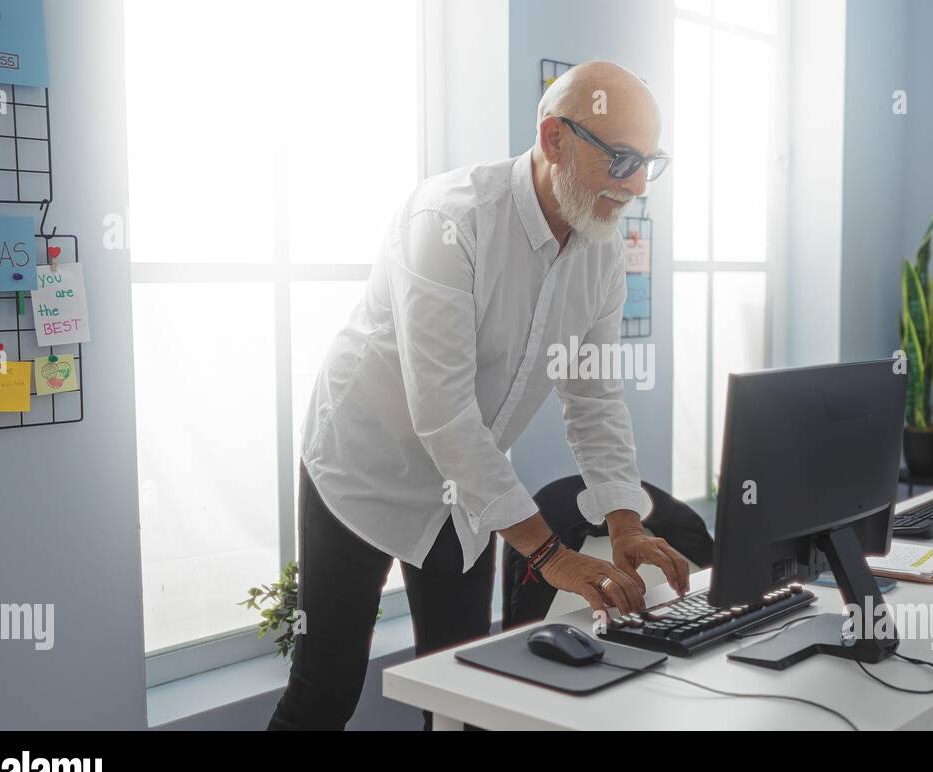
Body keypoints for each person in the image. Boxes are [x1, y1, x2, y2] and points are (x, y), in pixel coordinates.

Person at [268, 61, 689, 730]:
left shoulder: (603, 251)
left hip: (463, 489)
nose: (636, 184)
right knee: (328, 683)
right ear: (554, 139)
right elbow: (443, 410)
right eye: (619, 158)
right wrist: (550, 554)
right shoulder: (449, 220)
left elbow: (594, 395)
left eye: (648, 163)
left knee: (463, 687)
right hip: (362, 466)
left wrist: (623, 520)